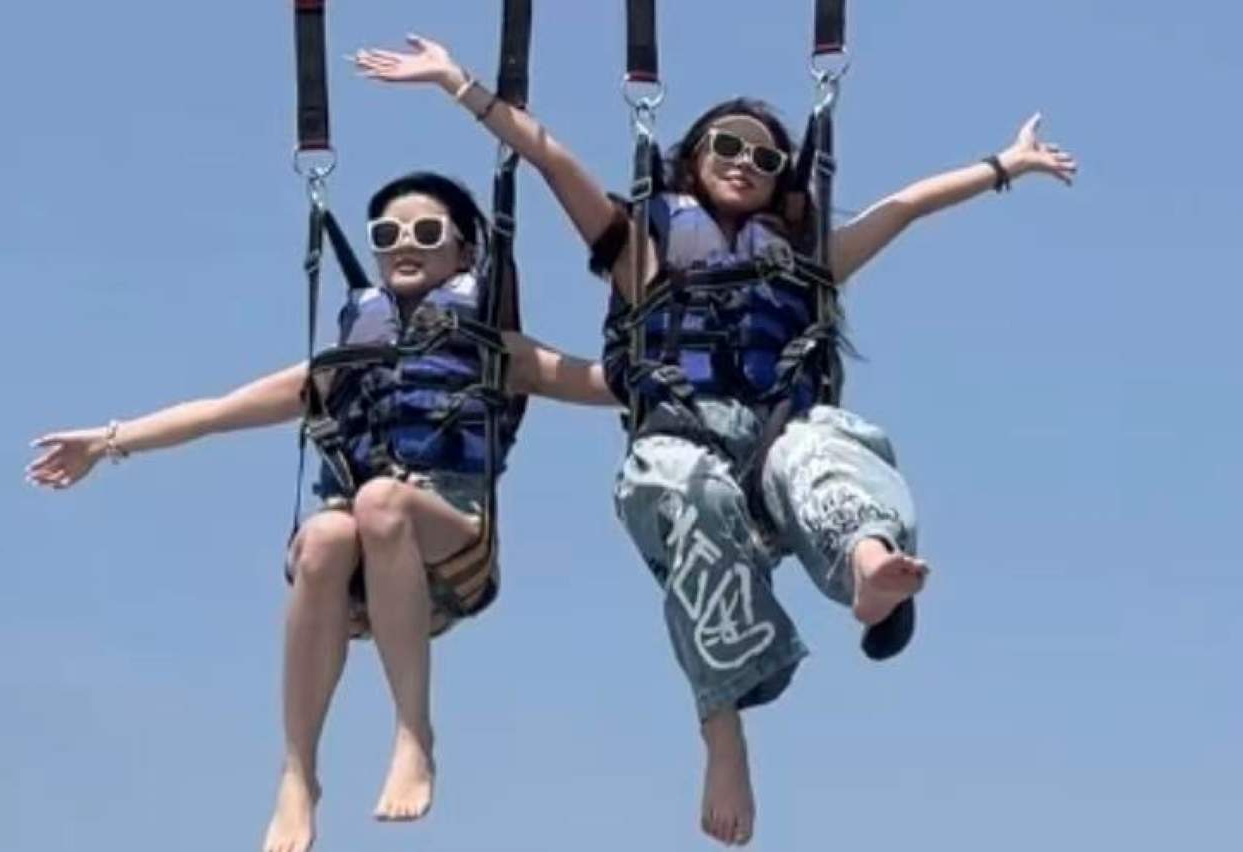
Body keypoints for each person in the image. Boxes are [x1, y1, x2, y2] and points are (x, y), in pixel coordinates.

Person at [354, 35, 1080, 846]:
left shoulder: (804, 265)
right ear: (691, 160)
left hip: (775, 449)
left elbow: (901, 208)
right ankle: (723, 728)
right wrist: (460, 85)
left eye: (764, 157)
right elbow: (552, 161)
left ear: (782, 180)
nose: (743, 161)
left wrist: (1005, 164)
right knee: (681, 488)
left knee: (828, 445)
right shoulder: (643, 254)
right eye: (726, 146)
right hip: (681, 444)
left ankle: (868, 566)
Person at [24, 172, 615, 852]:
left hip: (453, 553)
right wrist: (107, 441)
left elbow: (604, 383)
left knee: (379, 500)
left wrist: (673, 359)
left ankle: (412, 732)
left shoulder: (497, 353)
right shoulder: (343, 362)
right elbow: (218, 412)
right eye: (387, 234)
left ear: (464, 254)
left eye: (426, 233)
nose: (404, 244)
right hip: (361, 573)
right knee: (323, 534)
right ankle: (299, 774)